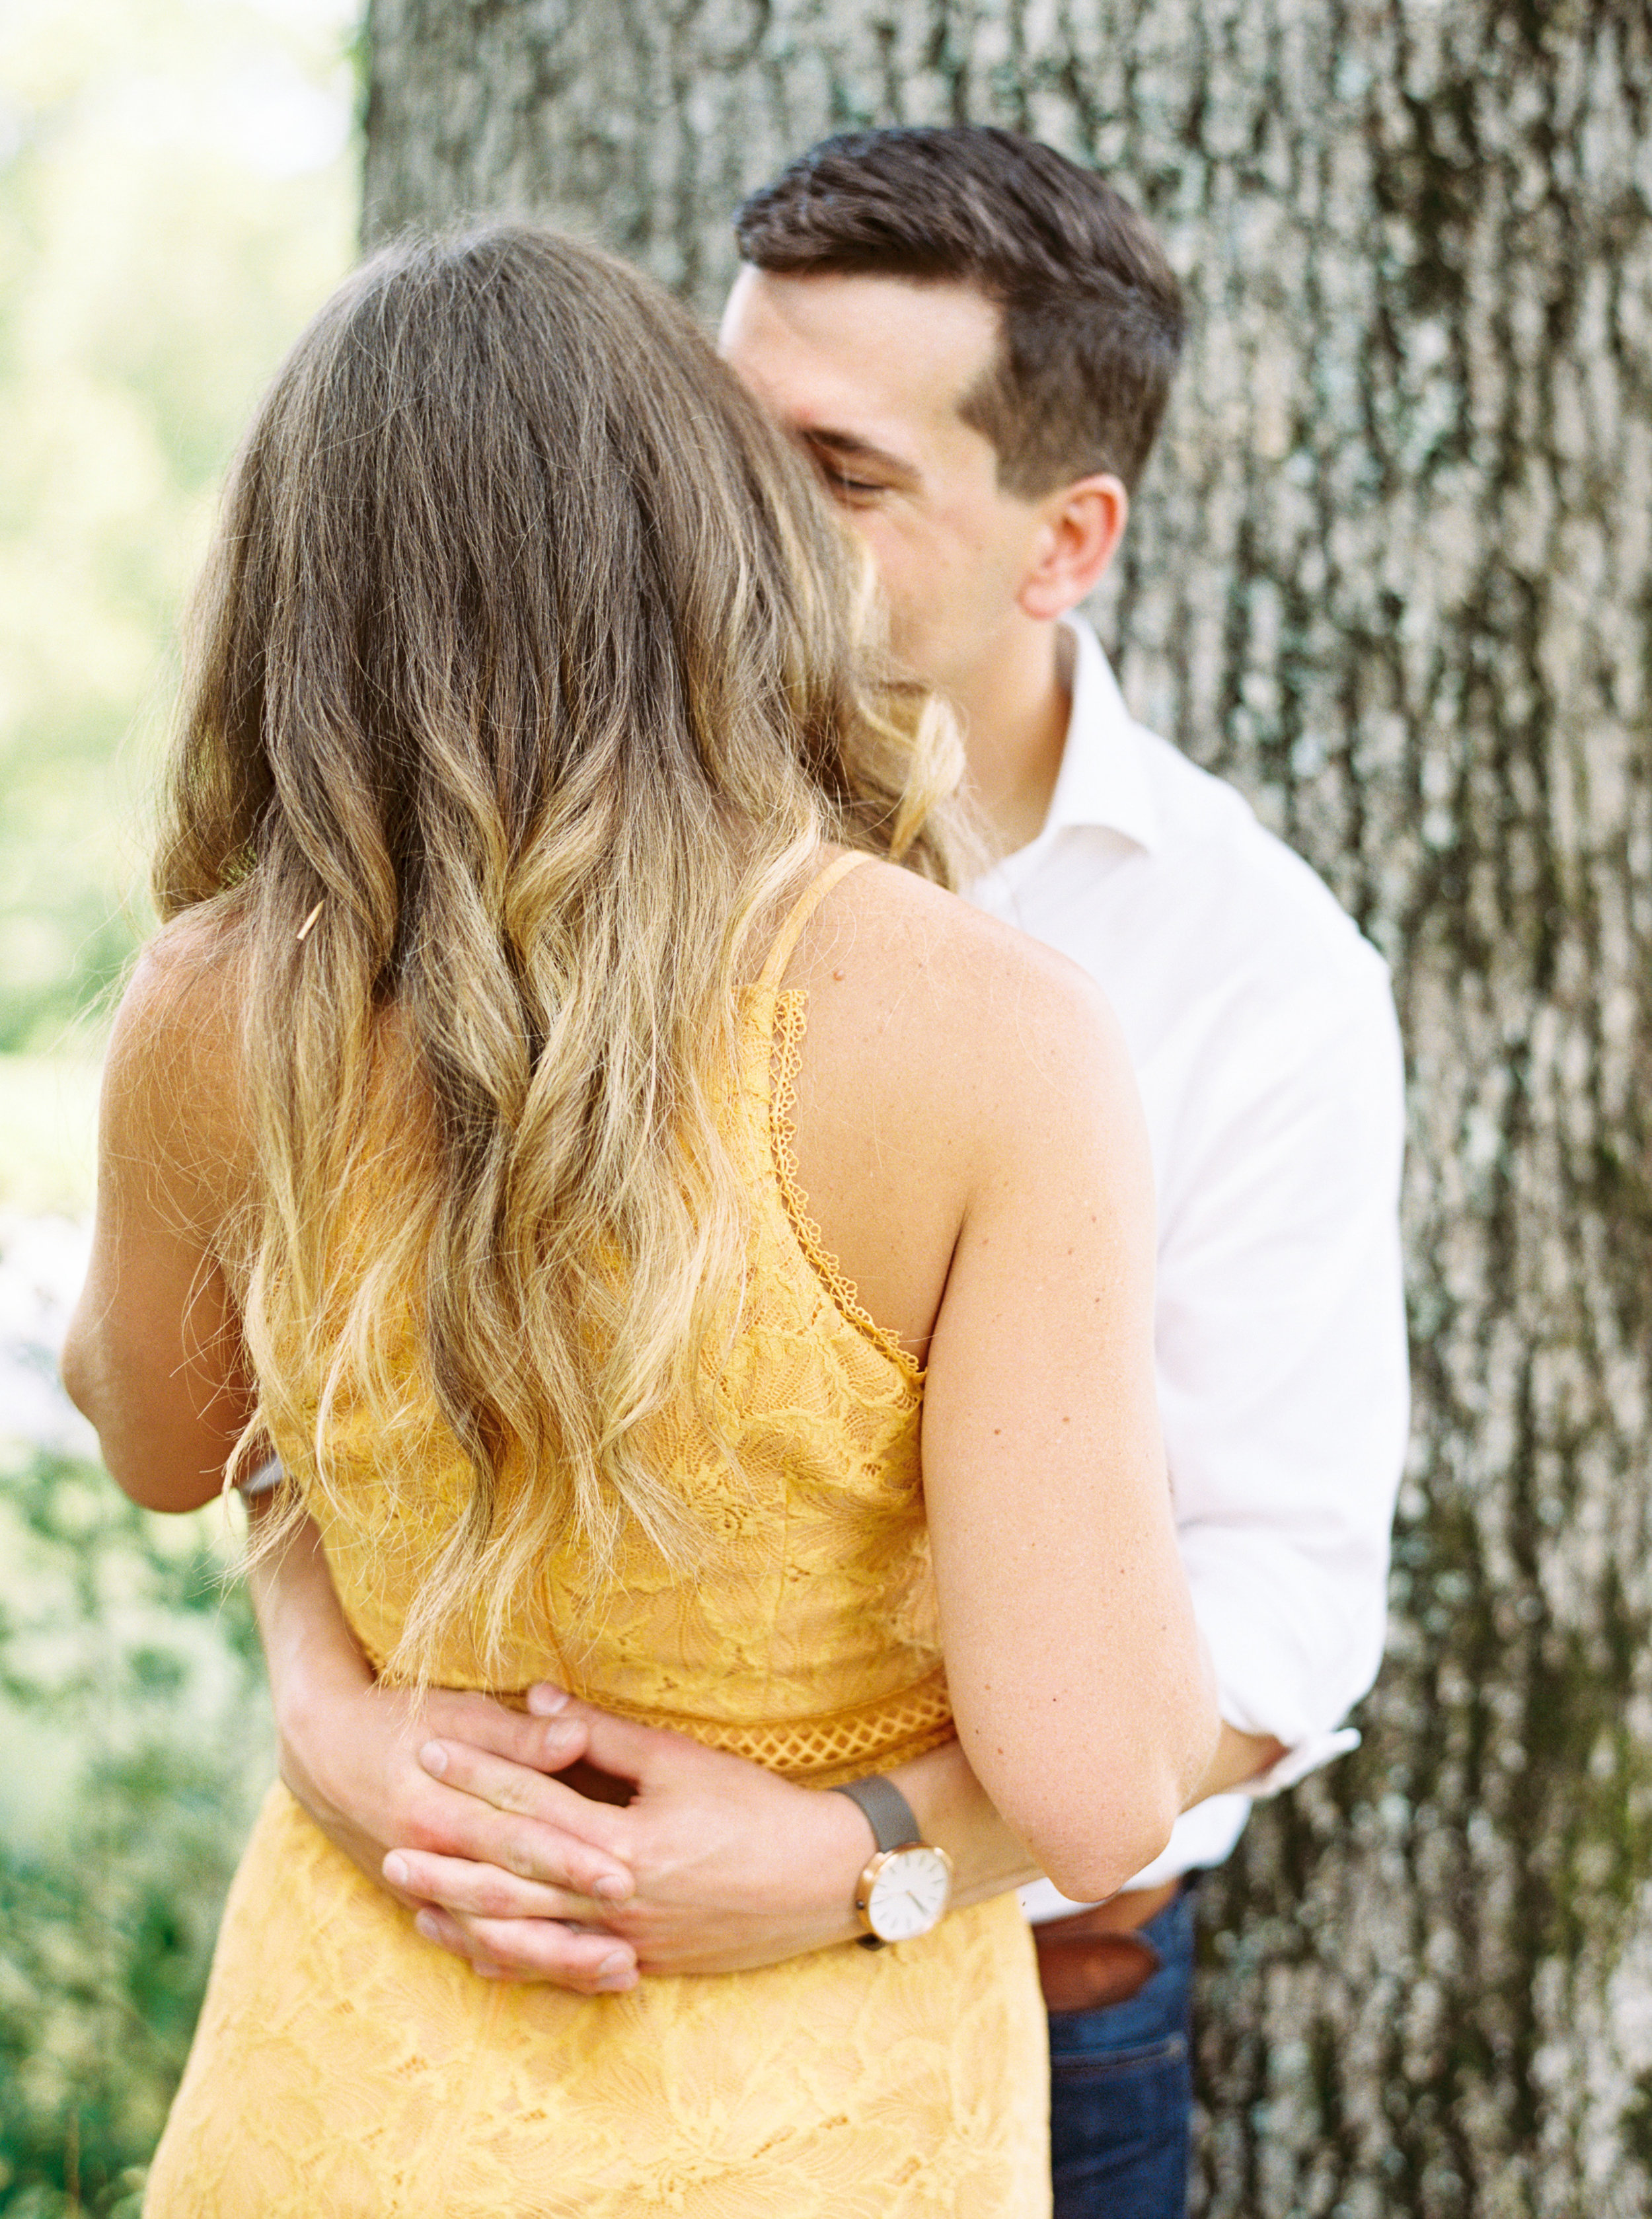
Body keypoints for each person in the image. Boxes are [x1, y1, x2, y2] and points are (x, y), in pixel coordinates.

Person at [235, 130, 1410, 2219]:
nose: (741, 528)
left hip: (1027, 2007)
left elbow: (1278, 1605)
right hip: (453, 1963)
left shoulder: (1247, 973)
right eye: (722, 441)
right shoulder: (498, 864)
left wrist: (865, 1858)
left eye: (845, 478)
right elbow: (275, 1352)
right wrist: (321, 1693)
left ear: (1067, 544)